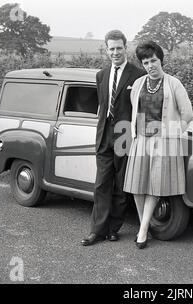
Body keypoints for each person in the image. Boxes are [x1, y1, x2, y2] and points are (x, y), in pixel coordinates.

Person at [123, 41, 193, 249]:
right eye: (145, 62)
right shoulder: (138, 84)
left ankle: (143, 230)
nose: (150, 65)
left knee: (154, 187)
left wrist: (171, 135)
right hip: (141, 140)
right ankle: (143, 225)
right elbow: (134, 111)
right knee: (137, 187)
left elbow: (188, 115)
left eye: (153, 60)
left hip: (163, 142)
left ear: (160, 60)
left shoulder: (174, 84)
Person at [81, 30, 146, 246]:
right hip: (104, 135)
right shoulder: (101, 75)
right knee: (101, 184)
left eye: (119, 48)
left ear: (125, 48)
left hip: (125, 134)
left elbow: (141, 109)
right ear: (106, 49)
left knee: (120, 184)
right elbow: (102, 107)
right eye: (111, 48)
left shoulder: (137, 75)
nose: (115, 52)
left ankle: (113, 229)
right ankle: (96, 231)